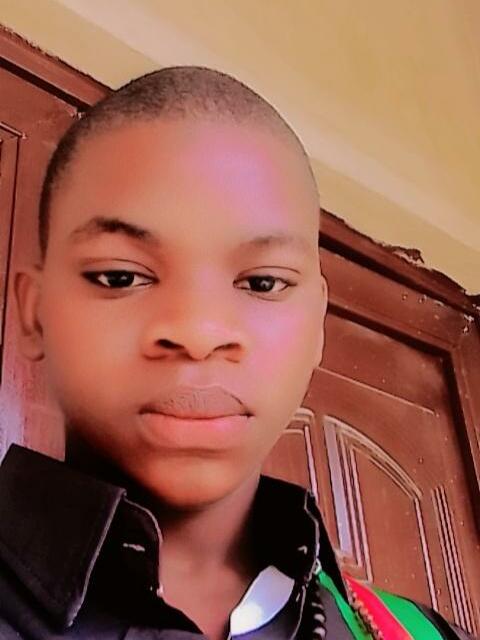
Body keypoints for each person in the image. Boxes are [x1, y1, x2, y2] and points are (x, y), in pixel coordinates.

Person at [0, 66, 475, 640]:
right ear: (34, 313)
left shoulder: (423, 633)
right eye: (121, 276)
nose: (199, 334)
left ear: (318, 326)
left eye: (262, 283)